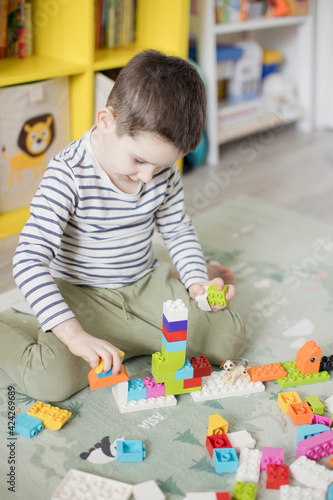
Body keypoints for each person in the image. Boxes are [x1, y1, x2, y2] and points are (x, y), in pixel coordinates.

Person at [0, 50, 246, 402]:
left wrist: (195, 281)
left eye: (162, 166)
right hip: (81, 292)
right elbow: (28, 261)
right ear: (106, 121)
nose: (148, 176)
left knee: (228, 336)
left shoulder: (158, 170)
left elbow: (176, 229)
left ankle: (145, 323)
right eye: (140, 160)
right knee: (49, 380)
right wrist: (73, 335)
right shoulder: (67, 175)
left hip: (143, 283)